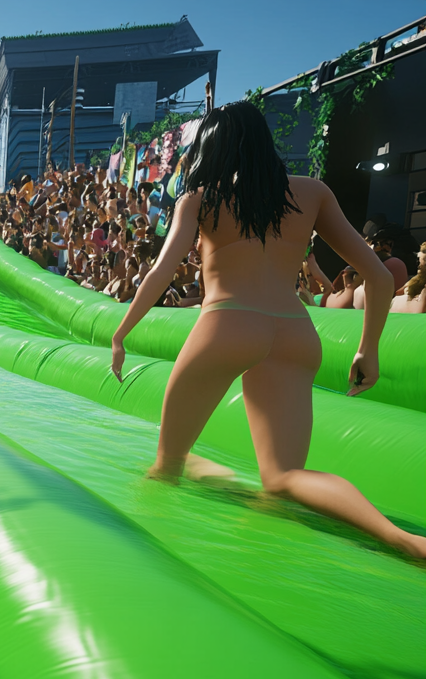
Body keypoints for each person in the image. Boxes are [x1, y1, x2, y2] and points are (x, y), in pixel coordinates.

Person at [110, 102, 424, 558]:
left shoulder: (200, 199)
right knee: (282, 479)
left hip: (228, 323)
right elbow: (377, 277)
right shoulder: (312, 193)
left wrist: (121, 335)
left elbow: (162, 272)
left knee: (166, 466)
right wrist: (367, 350)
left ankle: (144, 558)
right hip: (294, 331)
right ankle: (403, 540)